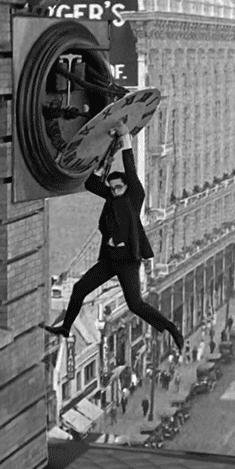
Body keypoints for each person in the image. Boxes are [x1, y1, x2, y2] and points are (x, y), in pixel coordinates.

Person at [46, 124, 185, 354]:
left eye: (119, 187)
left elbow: (129, 167)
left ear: (127, 187)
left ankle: (170, 328)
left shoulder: (135, 196)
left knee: (135, 304)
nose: (115, 190)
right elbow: (90, 183)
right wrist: (101, 166)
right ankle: (66, 328)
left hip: (128, 260)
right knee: (80, 288)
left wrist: (125, 137)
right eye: (112, 188)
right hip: (110, 259)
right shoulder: (110, 197)